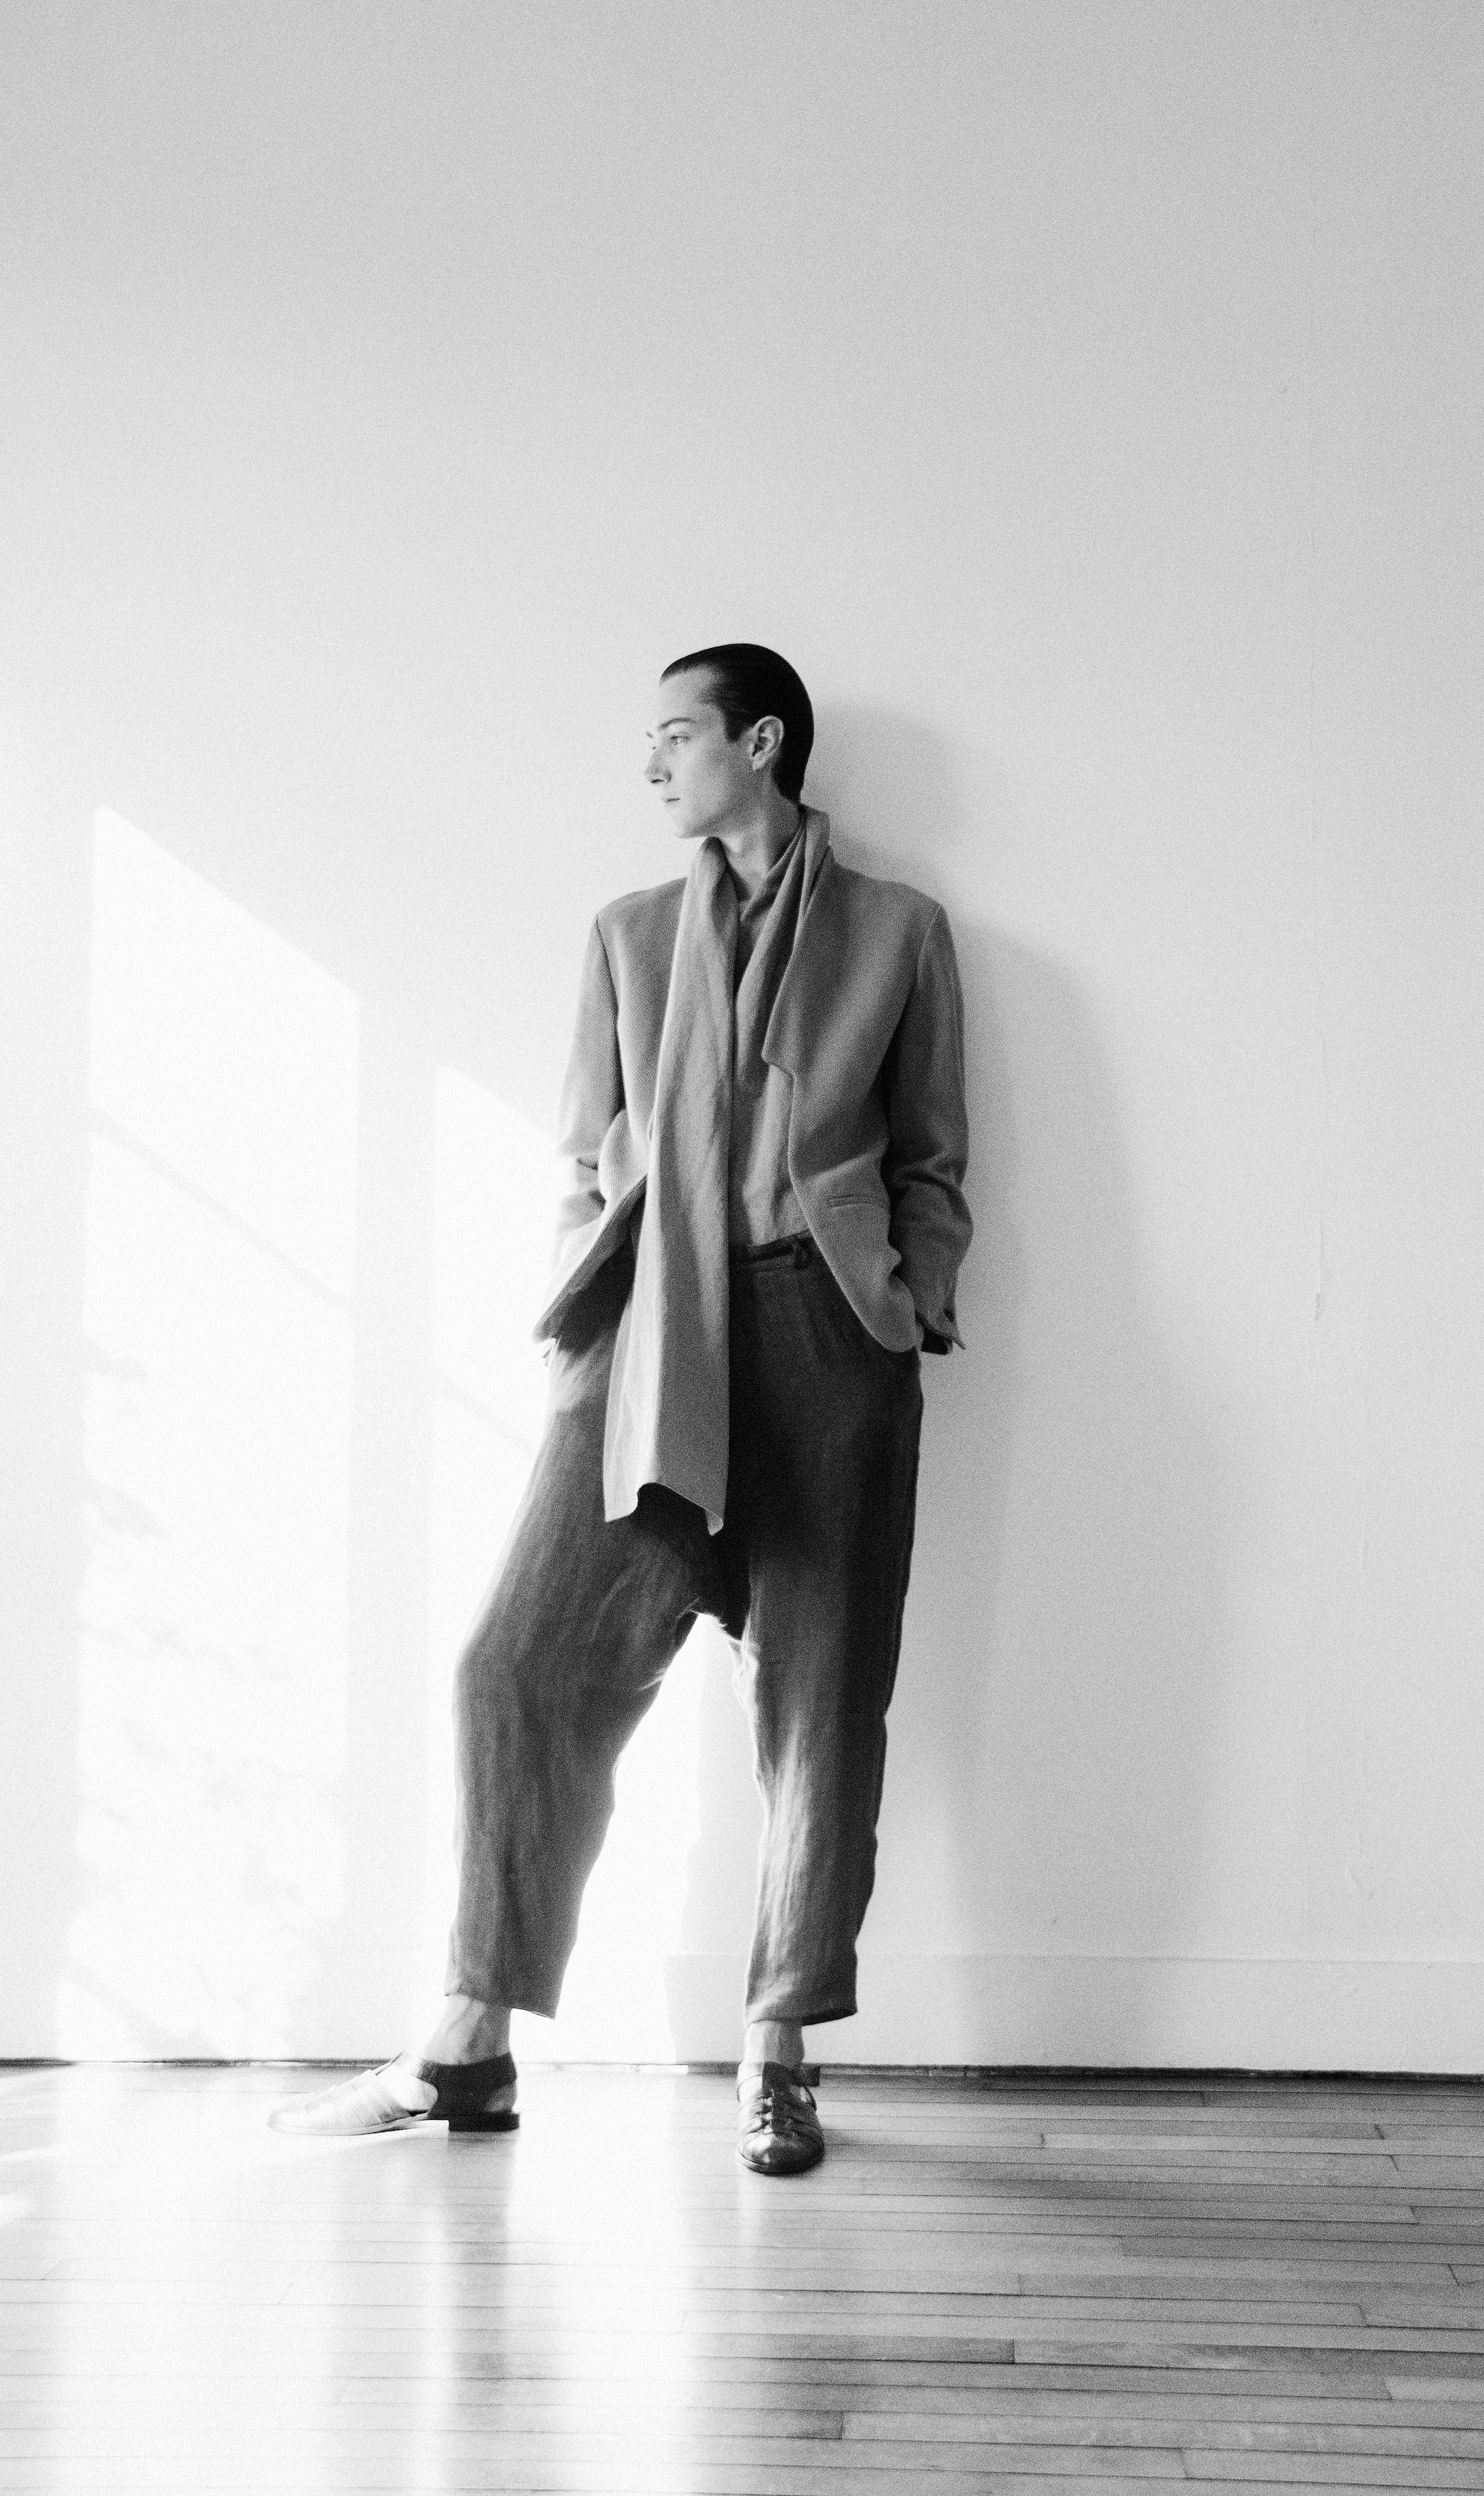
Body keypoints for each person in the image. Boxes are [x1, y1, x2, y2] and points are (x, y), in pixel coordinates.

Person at [270, 645, 971, 2171]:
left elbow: (928, 1158)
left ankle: (776, 2050)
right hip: (652, 1321)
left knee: (814, 1705)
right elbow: (586, 1149)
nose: (650, 766)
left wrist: (904, 1303)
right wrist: (584, 1300)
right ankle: (465, 2045)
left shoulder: (898, 932)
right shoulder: (627, 933)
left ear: (761, 740)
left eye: (674, 736)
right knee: (516, 1660)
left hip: (826, 1330)